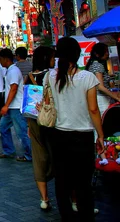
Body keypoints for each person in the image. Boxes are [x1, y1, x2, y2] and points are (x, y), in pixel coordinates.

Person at [46, 37, 105, 221]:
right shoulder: (86, 77)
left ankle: (67, 216)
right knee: (83, 183)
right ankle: (86, 215)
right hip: (83, 137)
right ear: (77, 54)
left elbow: (47, 103)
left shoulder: (50, 76)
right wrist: (101, 135)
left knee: (62, 181)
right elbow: (93, 109)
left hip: (58, 135)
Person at [26, 46, 56, 211]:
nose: (54, 60)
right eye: (52, 57)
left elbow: (27, 103)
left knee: (38, 157)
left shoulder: (29, 77)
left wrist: (28, 125)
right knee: (58, 154)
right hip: (52, 119)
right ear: (46, 58)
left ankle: (44, 199)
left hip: (34, 120)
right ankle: (72, 199)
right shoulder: (53, 76)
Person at [0, 49, 32, 162]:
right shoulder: (10, 70)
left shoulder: (13, 71)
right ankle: (8, 150)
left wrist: (6, 105)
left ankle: (30, 154)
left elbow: (14, 88)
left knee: (21, 132)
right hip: (11, 106)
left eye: (0, 59)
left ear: (6, 59)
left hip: (15, 106)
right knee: (3, 127)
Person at [86, 42, 120, 115]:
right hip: (102, 100)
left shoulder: (93, 64)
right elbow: (100, 86)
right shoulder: (98, 65)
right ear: (99, 54)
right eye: (106, 51)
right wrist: (114, 96)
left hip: (99, 98)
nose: (108, 54)